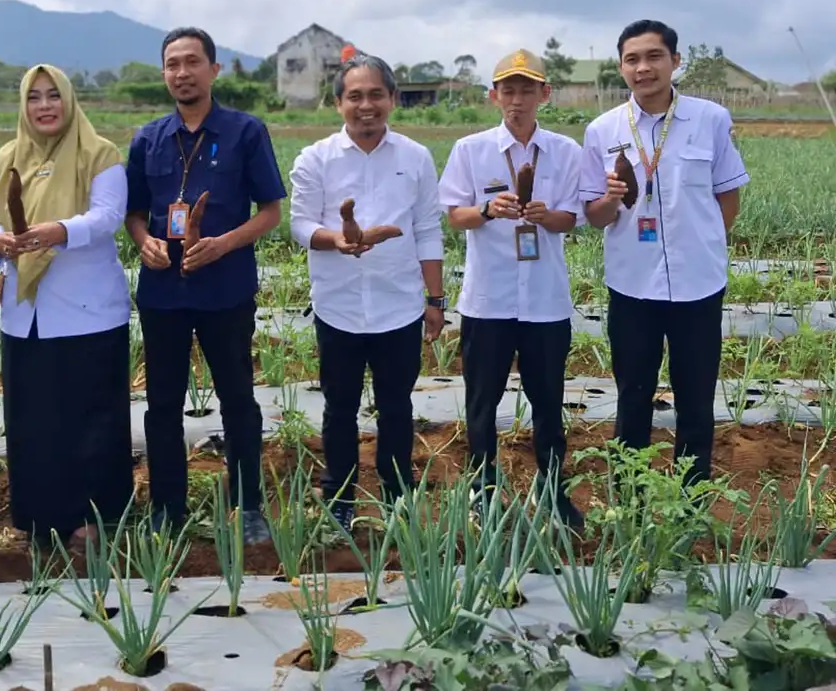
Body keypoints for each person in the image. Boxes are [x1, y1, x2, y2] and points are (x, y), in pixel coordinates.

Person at [125, 27, 287, 544]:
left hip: (226, 289)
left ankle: (248, 505)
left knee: (238, 398)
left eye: (192, 62)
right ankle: (166, 507)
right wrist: (144, 241)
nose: (182, 73)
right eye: (173, 64)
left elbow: (270, 212)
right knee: (162, 404)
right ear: (163, 74)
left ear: (213, 70)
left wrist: (224, 244)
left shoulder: (245, 132)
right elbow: (133, 213)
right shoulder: (148, 139)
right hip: (163, 293)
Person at [579, 19, 749, 486]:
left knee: (696, 396)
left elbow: (728, 197)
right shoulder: (602, 129)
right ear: (621, 67)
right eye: (632, 59)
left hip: (699, 284)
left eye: (654, 56)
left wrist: (702, 243)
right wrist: (611, 198)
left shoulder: (710, 120)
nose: (643, 68)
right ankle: (629, 495)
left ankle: (691, 497)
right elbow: (595, 216)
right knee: (632, 393)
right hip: (632, 283)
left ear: (675, 61)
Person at [0, 63, 134, 551]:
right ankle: (39, 518)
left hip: (87, 312)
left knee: (91, 418)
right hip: (26, 314)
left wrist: (58, 231)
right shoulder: (8, 157)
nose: (44, 105)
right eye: (34, 97)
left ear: (69, 100)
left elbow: (107, 217)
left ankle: (91, 519)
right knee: (34, 420)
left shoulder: (99, 153)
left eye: (53, 95)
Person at [288, 52, 445, 531]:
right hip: (338, 305)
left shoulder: (415, 157)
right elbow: (299, 225)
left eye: (376, 94)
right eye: (355, 96)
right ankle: (340, 492)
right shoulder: (315, 159)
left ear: (393, 99)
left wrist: (435, 300)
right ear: (338, 103)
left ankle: (396, 487)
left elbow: (427, 230)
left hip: (399, 305)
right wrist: (336, 239)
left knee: (397, 404)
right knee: (340, 406)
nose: (366, 105)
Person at [438, 50, 584, 526]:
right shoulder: (471, 149)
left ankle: (553, 488)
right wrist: (486, 210)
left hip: (545, 301)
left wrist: (547, 216)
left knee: (549, 402)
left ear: (545, 94)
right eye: (508, 90)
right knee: (482, 402)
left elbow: (572, 218)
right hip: (489, 301)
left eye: (527, 90)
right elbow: (455, 214)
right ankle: (483, 489)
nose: (517, 100)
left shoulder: (566, 151)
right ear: (493, 96)